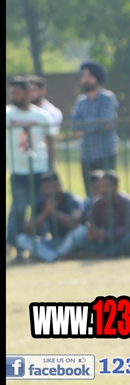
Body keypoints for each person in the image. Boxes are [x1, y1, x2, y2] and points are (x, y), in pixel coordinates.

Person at [7, 76, 55, 260]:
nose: (13, 96)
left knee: (39, 209)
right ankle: (16, 246)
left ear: (28, 93)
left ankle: (38, 246)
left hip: (39, 169)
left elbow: (51, 141)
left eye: (17, 93)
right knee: (19, 209)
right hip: (17, 170)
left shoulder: (41, 115)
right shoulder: (8, 114)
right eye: (11, 93)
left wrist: (51, 166)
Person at [54, 170, 130, 260]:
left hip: (121, 238)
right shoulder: (97, 203)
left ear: (116, 187)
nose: (103, 190)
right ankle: (70, 254)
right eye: (101, 187)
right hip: (105, 242)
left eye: (106, 186)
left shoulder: (127, 201)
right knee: (80, 236)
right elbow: (93, 224)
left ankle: (103, 254)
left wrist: (106, 235)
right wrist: (92, 232)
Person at [69, 61, 119, 188]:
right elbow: (74, 126)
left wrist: (84, 129)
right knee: (90, 192)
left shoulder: (107, 98)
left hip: (105, 154)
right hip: (86, 155)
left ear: (97, 77)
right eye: (83, 76)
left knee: (107, 191)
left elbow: (104, 122)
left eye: (90, 76)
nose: (86, 80)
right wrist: (95, 123)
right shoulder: (80, 101)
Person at [16, 171, 82, 263]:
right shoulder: (40, 203)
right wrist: (45, 213)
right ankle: (54, 257)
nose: (51, 191)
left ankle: (56, 255)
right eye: (47, 188)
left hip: (72, 241)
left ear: (60, 185)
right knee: (21, 239)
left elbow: (75, 222)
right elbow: (28, 230)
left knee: (80, 231)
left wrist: (55, 212)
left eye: (54, 187)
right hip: (55, 241)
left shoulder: (72, 199)